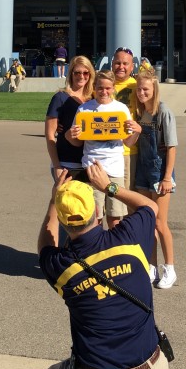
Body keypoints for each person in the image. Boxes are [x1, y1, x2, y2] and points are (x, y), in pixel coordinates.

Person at [24, 165, 168, 369]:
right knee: (136, 343)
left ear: (67, 224)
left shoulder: (62, 267)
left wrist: (54, 201)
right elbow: (150, 206)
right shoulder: (130, 237)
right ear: (99, 212)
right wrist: (109, 187)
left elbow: (46, 242)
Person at [67, 70, 139, 229]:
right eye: (100, 88)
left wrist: (137, 131)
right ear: (94, 87)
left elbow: (128, 142)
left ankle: (113, 251)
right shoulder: (84, 110)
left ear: (113, 88)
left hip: (115, 170)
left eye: (108, 88)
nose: (104, 92)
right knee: (94, 217)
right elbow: (76, 142)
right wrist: (70, 135)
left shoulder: (121, 109)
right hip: (92, 169)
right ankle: (96, 251)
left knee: (115, 218)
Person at [127, 70, 178, 290]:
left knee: (160, 222)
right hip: (142, 172)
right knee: (148, 224)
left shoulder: (163, 111)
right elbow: (130, 142)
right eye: (138, 89)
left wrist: (167, 177)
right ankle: (151, 267)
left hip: (159, 172)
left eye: (146, 89)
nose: (141, 92)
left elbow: (173, 147)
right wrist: (136, 130)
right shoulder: (140, 113)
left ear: (154, 89)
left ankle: (170, 268)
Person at [45, 56, 95, 182]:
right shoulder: (60, 97)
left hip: (90, 160)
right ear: (71, 73)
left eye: (85, 73)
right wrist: (57, 165)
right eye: (77, 72)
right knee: (61, 199)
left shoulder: (95, 98)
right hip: (66, 162)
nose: (81, 76)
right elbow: (50, 135)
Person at [111, 47, 138, 189]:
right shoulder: (102, 85)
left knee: (126, 197)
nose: (121, 67)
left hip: (127, 152)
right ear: (112, 64)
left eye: (125, 63)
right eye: (117, 63)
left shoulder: (137, 86)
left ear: (132, 66)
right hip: (104, 152)